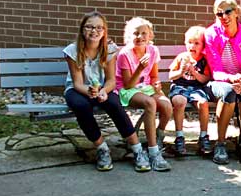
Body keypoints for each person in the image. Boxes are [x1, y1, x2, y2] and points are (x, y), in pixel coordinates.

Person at [63, 11, 149, 172]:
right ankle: (102, 148)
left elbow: (111, 80)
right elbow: (77, 83)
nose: (94, 31)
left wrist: (103, 91)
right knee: (80, 106)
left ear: (104, 31)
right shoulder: (72, 51)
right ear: (82, 29)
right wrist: (89, 91)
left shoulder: (109, 50)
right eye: (89, 27)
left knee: (114, 103)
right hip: (78, 89)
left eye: (99, 28)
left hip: (103, 87)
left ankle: (137, 149)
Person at [203, 0, 241, 164]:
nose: (224, 17)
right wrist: (231, 79)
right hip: (218, 82)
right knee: (229, 92)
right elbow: (216, 71)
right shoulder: (211, 33)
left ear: (236, 12)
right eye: (219, 14)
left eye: (228, 12)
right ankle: (220, 143)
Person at [116, 17, 172, 171]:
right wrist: (140, 68)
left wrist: (156, 84)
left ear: (150, 36)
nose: (140, 37)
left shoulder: (153, 50)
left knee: (167, 106)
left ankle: (157, 138)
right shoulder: (125, 54)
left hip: (145, 87)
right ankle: (154, 152)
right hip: (128, 90)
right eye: (135, 33)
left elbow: (153, 76)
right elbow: (128, 84)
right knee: (150, 103)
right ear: (129, 36)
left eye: (143, 33)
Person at [168, 26, 213, 156]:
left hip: (197, 88)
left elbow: (205, 79)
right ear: (185, 43)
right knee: (179, 102)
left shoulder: (204, 60)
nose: (192, 46)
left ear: (203, 46)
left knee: (203, 103)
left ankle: (204, 136)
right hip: (180, 86)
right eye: (190, 42)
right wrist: (181, 71)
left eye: (197, 43)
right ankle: (179, 136)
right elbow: (171, 76)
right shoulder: (181, 57)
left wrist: (195, 73)